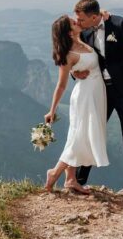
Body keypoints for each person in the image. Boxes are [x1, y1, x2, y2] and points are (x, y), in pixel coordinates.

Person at [71, 0, 123, 209]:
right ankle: (78, 181)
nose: (78, 22)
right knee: (91, 133)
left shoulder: (120, 25)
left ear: (95, 16)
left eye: (81, 19)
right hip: (100, 92)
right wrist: (75, 74)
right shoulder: (85, 33)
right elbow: (77, 58)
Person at [43, 15, 109, 195]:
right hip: (84, 96)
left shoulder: (83, 39)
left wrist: (103, 13)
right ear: (68, 31)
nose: (78, 22)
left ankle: (71, 179)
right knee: (80, 136)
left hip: (96, 93)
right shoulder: (68, 54)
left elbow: (96, 19)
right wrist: (52, 110)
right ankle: (54, 172)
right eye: (74, 22)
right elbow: (61, 85)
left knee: (76, 135)